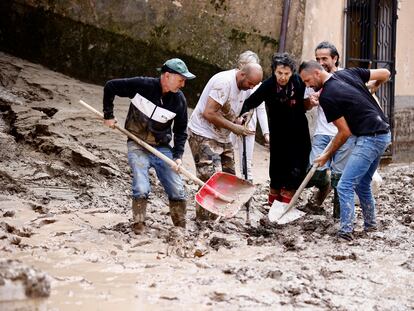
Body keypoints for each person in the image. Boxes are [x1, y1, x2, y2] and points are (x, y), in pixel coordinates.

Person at [299, 60, 391, 241]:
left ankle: (346, 231)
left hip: (369, 138)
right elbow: (385, 74)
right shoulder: (349, 73)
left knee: (344, 185)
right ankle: (370, 225)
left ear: (317, 73)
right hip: (384, 133)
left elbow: (344, 132)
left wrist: (326, 154)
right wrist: (374, 86)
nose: (307, 86)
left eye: (307, 80)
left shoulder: (328, 96)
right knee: (363, 183)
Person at [102, 58, 195, 234]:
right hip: (136, 143)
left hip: (161, 147)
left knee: (176, 187)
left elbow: (181, 131)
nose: (183, 84)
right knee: (141, 185)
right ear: (167, 76)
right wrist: (108, 114)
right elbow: (110, 86)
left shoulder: (179, 100)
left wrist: (178, 156)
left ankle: (180, 227)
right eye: (181, 79)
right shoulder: (142, 85)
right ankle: (139, 225)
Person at [187, 62, 263, 220]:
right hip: (203, 133)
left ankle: (221, 214)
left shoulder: (244, 87)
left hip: (222, 136)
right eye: (250, 83)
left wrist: (239, 120)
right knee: (208, 177)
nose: (250, 88)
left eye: (254, 85)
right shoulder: (224, 82)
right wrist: (235, 129)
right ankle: (203, 219)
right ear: (242, 74)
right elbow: (209, 113)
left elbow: (230, 110)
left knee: (230, 176)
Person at [240, 52, 311, 205]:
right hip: (278, 132)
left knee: (296, 165)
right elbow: (250, 102)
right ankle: (274, 199)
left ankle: (287, 199)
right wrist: (241, 116)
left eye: (286, 73)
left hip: (298, 132)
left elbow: (307, 102)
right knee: (277, 165)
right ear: (273, 71)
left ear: (292, 72)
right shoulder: (268, 85)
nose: (283, 77)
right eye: (279, 73)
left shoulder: (298, 83)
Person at [304, 41, 356, 218]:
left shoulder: (346, 77)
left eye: (324, 58)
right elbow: (306, 105)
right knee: (315, 171)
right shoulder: (313, 76)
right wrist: (309, 102)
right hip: (322, 133)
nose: (321, 61)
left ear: (335, 58)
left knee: (340, 177)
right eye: (318, 58)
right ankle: (323, 189)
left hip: (344, 134)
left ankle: (339, 216)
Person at [231, 51, 270, 182]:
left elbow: (261, 109)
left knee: (246, 162)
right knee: (227, 154)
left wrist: (266, 133)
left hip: (249, 127)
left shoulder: (258, 84)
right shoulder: (233, 80)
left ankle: (246, 189)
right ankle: (227, 181)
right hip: (232, 124)